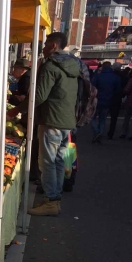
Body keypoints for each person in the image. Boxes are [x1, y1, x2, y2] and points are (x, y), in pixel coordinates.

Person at [25, 32, 80, 217]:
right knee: (57, 162)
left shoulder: (51, 66)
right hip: (67, 121)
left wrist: (17, 110)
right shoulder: (74, 64)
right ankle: (54, 199)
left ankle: (51, 200)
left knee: (47, 163)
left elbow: (39, 96)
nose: (43, 47)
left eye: (46, 43)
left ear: (54, 46)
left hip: (51, 120)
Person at [90, 61, 121, 144]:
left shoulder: (97, 76)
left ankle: (97, 132)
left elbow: (92, 88)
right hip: (108, 100)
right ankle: (99, 133)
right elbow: (117, 90)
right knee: (102, 119)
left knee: (92, 118)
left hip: (97, 100)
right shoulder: (116, 77)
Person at [106, 62, 125, 139]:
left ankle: (99, 131)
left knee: (102, 115)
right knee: (114, 117)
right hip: (117, 99)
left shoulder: (110, 76)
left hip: (108, 97)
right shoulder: (123, 76)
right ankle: (111, 132)